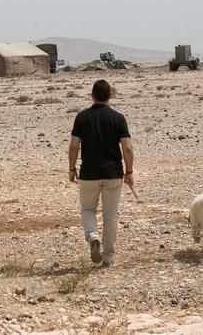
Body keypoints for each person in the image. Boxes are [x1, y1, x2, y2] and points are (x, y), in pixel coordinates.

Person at [68, 79, 134, 267]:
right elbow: (127, 148)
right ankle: (108, 256)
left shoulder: (81, 118)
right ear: (110, 96)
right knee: (110, 214)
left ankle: (93, 235)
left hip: (89, 174)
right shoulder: (118, 118)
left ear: (92, 95)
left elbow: (74, 147)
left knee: (88, 209)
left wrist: (72, 168)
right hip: (113, 173)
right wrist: (129, 171)